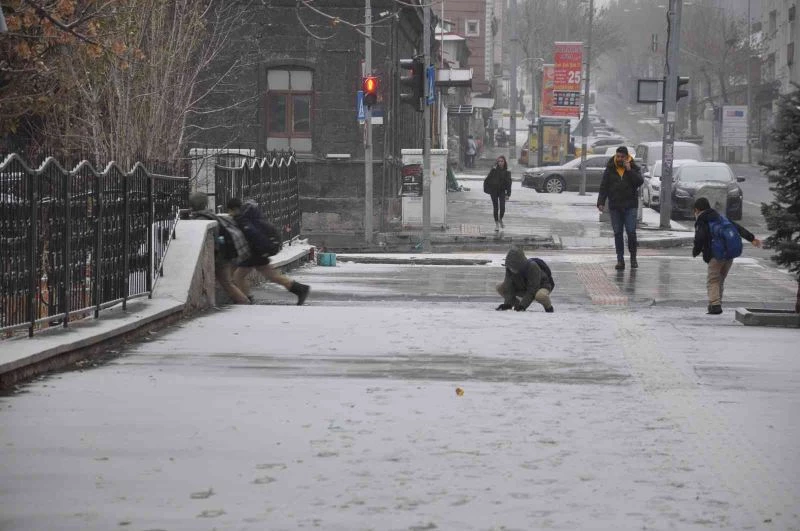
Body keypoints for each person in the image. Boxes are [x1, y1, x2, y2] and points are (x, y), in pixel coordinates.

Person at [226, 197, 310, 306]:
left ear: (234, 209)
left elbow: (254, 235)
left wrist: (262, 250)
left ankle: (245, 299)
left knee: (239, 276)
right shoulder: (246, 217)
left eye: (230, 211)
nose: (229, 214)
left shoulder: (243, 220)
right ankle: (300, 289)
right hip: (257, 252)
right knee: (272, 276)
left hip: (255, 253)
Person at [691, 197, 761, 315]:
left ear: (697, 209)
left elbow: (700, 238)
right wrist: (752, 238)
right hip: (729, 254)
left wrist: (695, 251)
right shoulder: (720, 216)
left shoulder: (702, 220)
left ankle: (715, 305)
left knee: (713, 280)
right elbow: (737, 228)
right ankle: (717, 303)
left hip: (716, 255)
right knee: (720, 279)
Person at [187, 192, 251, 305]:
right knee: (229, 281)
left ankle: (245, 302)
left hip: (220, 257)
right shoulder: (210, 216)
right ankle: (243, 300)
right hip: (225, 255)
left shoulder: (202, 219)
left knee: (227, 283)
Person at [597, 146, 643, 270]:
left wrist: (629, 170)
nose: (620, 159)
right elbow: (604, 186)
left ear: (627, 157)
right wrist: (600, 202)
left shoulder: (633, 167)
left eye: (622, 157)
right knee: (618, 233)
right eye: (618, 156)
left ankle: (633, 258)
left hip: (630, 206)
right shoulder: (610, 168)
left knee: (631, 232)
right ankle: (620, 260)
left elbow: (639, 182)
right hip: (615, 206)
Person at [496, 247, 554, 313]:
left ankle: (549, 308)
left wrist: (523, 306)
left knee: (540, 296)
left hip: (540, 287)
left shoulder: (532, 267)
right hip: (523, 287)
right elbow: (508, 285)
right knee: (500, 287)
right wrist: (507, 304)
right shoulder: (509, 267)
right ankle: (516, 304)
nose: (511, 269)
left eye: (513, 266)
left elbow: (532, 289)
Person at [483, 155, 512, 231]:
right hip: (494, 191)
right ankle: (496, 224)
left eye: (502, 161)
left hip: (502, 191)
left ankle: (500, 219)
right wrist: (488, 190)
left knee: (502, 208)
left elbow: (509, 184)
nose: (500, 163)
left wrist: (508, 194)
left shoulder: (507, 172)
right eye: (499, 161)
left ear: (504, 162)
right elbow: (487, 180)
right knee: (496, 208)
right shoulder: (494, 170)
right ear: (497, 162)